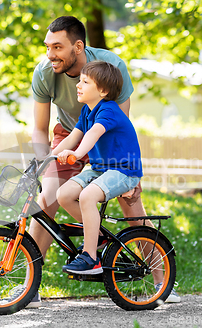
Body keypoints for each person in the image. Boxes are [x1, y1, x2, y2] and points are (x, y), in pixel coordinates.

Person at [27, 16, 180, 306]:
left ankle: (162, 283)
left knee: (132, 207)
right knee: (48, 198)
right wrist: (42, 160)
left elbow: (117, 127)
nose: (50, 55)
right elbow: (42, 128)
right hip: (70, 134)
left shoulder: (110, 69)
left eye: (57, 47)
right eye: (47, 47)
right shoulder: (45, 72)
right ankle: (30, 286)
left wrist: (127, 180)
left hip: (109, 147)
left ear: (78, 46)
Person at [53, 60, 142, 274]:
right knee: (63, 195)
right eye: (79, 80)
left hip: (124, 170)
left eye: (85, 81)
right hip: (101, 169)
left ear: (102, 90)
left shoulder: (109, 111)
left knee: (87, 196)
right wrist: (47, 156)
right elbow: (73, 137)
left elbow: (93, 134)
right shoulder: (86, 111)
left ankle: (91, 258)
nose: (78, 85)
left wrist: (76, 155)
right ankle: (99, 235)